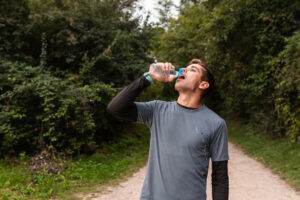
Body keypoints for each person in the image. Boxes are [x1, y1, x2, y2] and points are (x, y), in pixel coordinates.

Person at [106, 58, 229, 200]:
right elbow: (115, 108)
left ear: (203, 84)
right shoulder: (157, 110)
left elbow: (220, 177)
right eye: (185, 68)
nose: (184, 70)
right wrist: (149, 77)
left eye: (192, 70)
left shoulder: (216, 123)